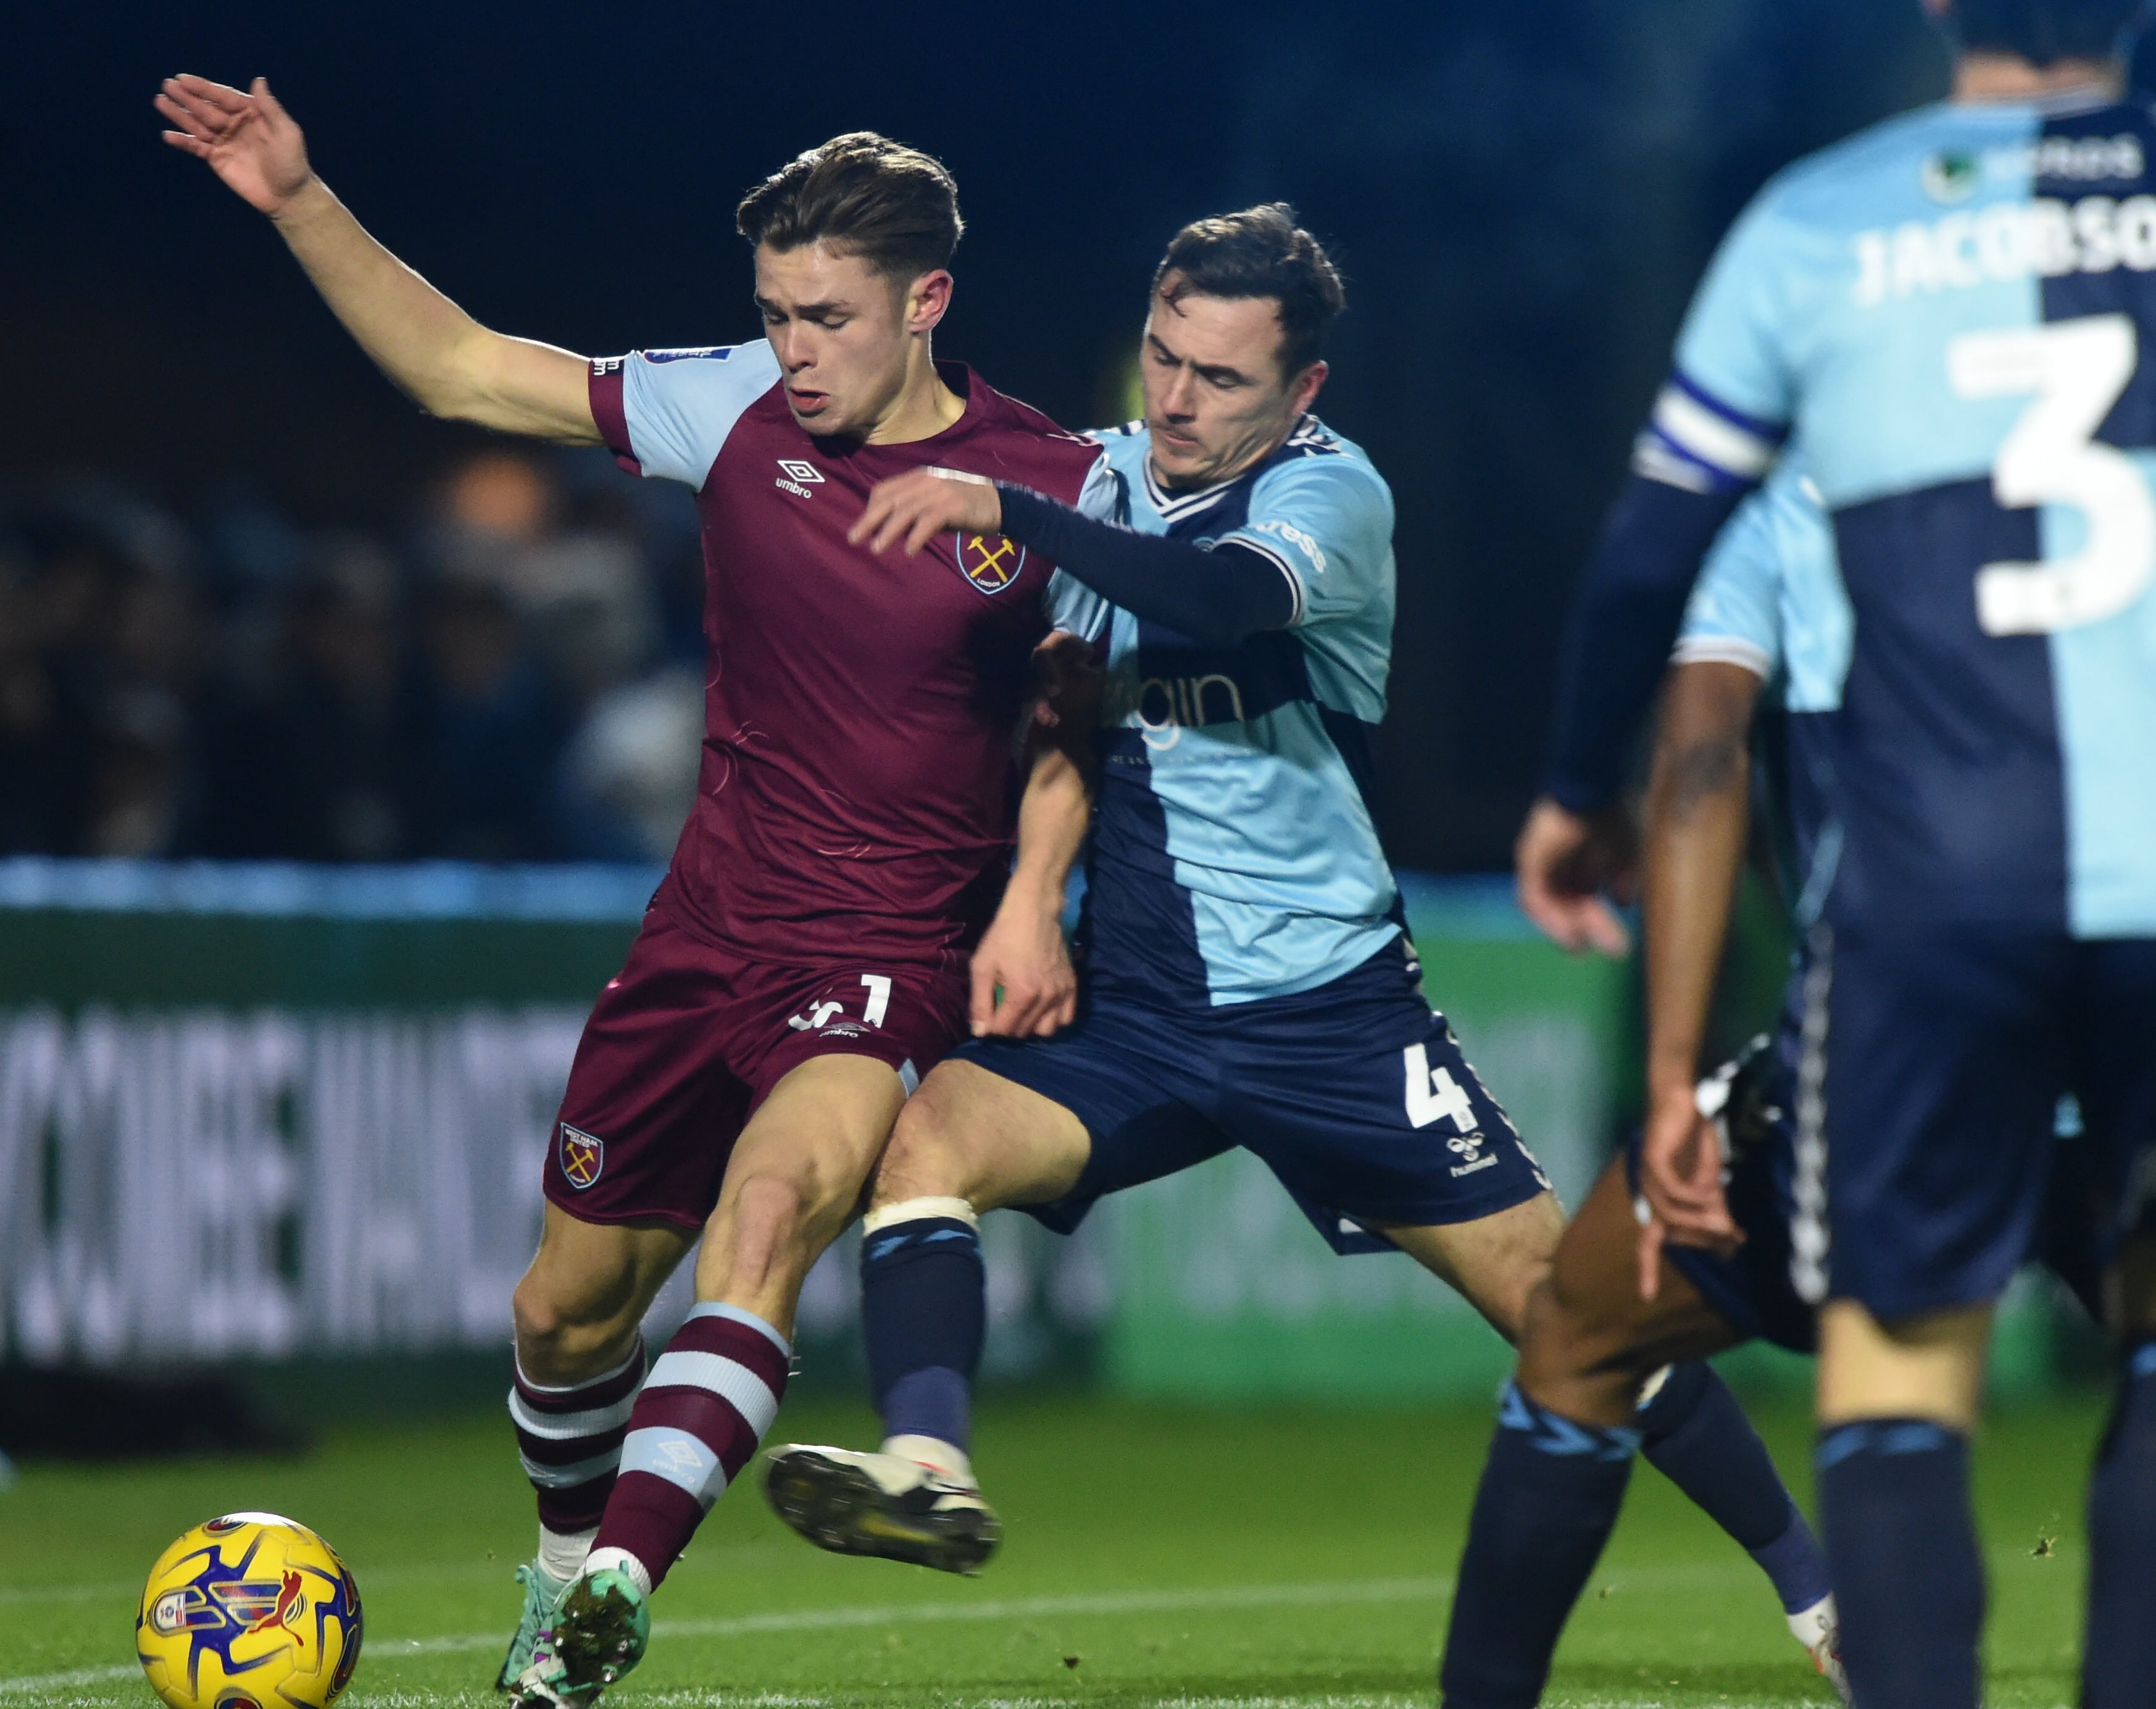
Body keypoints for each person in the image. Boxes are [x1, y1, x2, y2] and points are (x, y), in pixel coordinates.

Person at [1517, 0, 2156, 1701]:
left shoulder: (1823, 222)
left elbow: (1650, 566)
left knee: (1893, 1375)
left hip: (1939, 900)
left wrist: (1567, 784)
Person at [756, 206, 1842, 1687]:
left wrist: (1005, 510)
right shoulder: (1107, 473)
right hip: (1139, 1015)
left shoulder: (1332, 502)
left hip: (1327, 1017)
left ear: (1302, 393)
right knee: (925, 1142)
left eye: (1220, 379)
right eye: (1162, 357)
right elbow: (1073, 702)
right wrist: (1028, 901)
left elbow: (1211, 601)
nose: (1177, 401)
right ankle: (931, 1467)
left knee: (1574, 1313)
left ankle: (1821, 1598)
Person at [157, 81, 1115, 1709]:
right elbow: (461, 366)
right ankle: (557, 1567)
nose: (793, 347)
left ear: (928, 301)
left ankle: (609, 1594)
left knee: (764, 1227)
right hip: (702, 937)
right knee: (565, 1312)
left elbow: (1075, 726)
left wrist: (1033, 901)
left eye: (827, 317)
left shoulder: (1052, 488)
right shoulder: (728, 408)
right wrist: (299, 196)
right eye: (774, 313)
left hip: (885, 957)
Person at [1448, 471, 2156, 1709]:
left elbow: (1702, 759)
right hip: (2110, 1041)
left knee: (1590, 1326)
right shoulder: (2134, 498)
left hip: (1900, 1043)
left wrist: (1671, 1072)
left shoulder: (1797, 498)